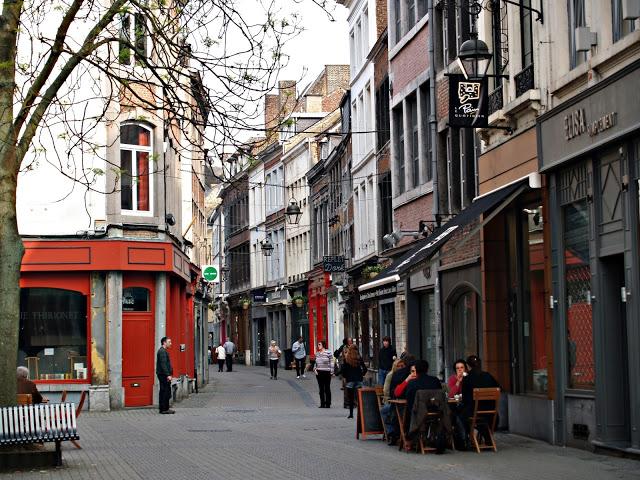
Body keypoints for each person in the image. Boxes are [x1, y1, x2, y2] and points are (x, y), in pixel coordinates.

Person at [460, 355, 500, 441]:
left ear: (468, 366)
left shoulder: (467, 378)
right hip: (491, 412)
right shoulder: (488, 376)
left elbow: (464, 399)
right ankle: (485, 434)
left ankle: (467, 438)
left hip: (474, 412)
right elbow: (498, 388)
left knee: (459, 415)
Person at [340, 344, 368, 418]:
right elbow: (365, 369)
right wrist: (361, 375)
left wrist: (346, 377)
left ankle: (351, 414)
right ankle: (361, 414)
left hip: (350, 380)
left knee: (351, 398)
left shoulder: (347, 359)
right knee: (359, 398)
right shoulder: (359, 358)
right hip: (358, 380)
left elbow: (344, 370)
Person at [156, 336, 174, 414]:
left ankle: (164, 408)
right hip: (163, 375)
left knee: (164, 390)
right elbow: (163, 364)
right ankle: (164, 409)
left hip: (163, 374)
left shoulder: (163, 351)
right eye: (169, 342)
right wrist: (168, 375)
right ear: (164, 343)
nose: (171, 343)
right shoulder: (162, 351)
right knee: (165, 391)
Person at [314, 340, 334, 408]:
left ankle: (328, 403)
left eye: (319, 344)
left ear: (323, 345)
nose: (318, 346)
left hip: (327, 372)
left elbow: (331, 362)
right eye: (318, 345)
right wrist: (315, 369)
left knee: (327, 388)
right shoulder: (317, 353)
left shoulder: (328, 352)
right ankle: (322, 403)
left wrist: (332, 371)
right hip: (319, 372)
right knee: (321, 389)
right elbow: (315, 363)